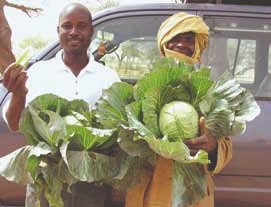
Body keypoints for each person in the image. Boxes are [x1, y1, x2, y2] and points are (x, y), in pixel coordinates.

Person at [2, 3, 120, 207]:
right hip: (45, 179)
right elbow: (14, 124)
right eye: (67, 26)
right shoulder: (38, 72)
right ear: (58, 31)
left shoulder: (109, 78)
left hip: (91, 183)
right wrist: (19, 95)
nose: (74, 32)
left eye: (81, 26)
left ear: (92, 31)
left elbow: (118, 129)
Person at [125, 12, 232, 207]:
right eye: (175, 38)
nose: (182, 45)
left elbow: (226, 146)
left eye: (189, 39)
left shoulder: (209, 91)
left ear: (196, 47)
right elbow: (126, 142)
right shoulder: (141, 89)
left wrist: (213, 147)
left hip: (194, 193)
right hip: (151, 192)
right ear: (163, 43)